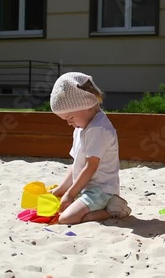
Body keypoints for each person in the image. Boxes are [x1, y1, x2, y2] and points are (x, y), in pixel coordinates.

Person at [49, 72, 131, 224]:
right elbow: (76, 166)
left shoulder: (98, 129)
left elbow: (90, 167)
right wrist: (61, 190)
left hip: (101, 191)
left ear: (86, 105)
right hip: (85, 190)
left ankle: (112, 209)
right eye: (65, 120)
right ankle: (93, 208)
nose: (69, 123)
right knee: (62, 209)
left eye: (70, 118)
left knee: (67, 218)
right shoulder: (81, 127)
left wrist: (70, 194)